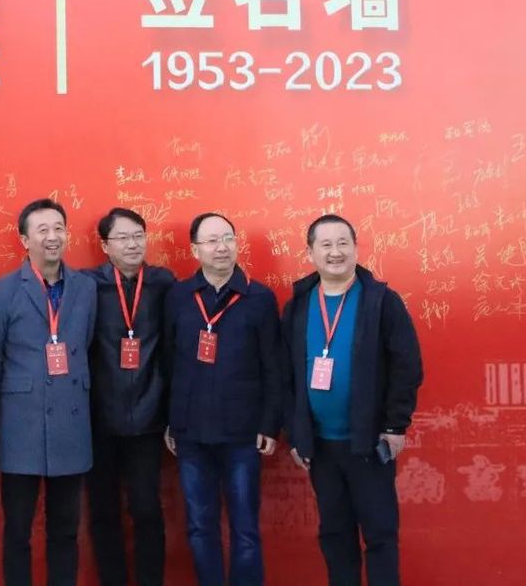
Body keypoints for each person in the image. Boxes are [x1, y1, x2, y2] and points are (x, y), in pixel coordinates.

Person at [282, 214, 423, 586]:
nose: (335, 252)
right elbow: (285, 376)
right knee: (335, 534)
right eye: (326, 244)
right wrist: (296, 434)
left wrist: (395, 426)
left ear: (356, 248)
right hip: (320, 447)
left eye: (343, 243)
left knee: (379, 535)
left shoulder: (382, 301)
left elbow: (407, 366)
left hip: (369, 443)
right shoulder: (298, 305)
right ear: (310, 252)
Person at [164, 212, 283, 586]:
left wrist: (270, 423)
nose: (222, 247)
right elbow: (169, 362)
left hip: (242, 433)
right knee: (201, 526)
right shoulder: (179, 296)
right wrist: (171, 419)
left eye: (228, 238)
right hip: (191, 433)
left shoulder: (259, 297)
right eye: (212, 240)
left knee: (245, 528)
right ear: (195, 249)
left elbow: (274, 366)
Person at [0, 198, 98, 586]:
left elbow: (87, 343)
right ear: (24, 240)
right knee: (18, 530)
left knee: (65, 529)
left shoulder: (86, 288)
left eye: (59, 228)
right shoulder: (2, 291)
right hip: (22, 423)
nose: (53, 237)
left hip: (72, 422)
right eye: (42, 230)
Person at [84, 207, 175, 586]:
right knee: (103, 512)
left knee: (146, 509)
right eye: (122, 238)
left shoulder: (164, 284)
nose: (133, 244)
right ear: (105, 246)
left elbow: (172, 350)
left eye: (138, 235)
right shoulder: (88, 286)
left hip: (148, 418)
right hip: (98, 420)